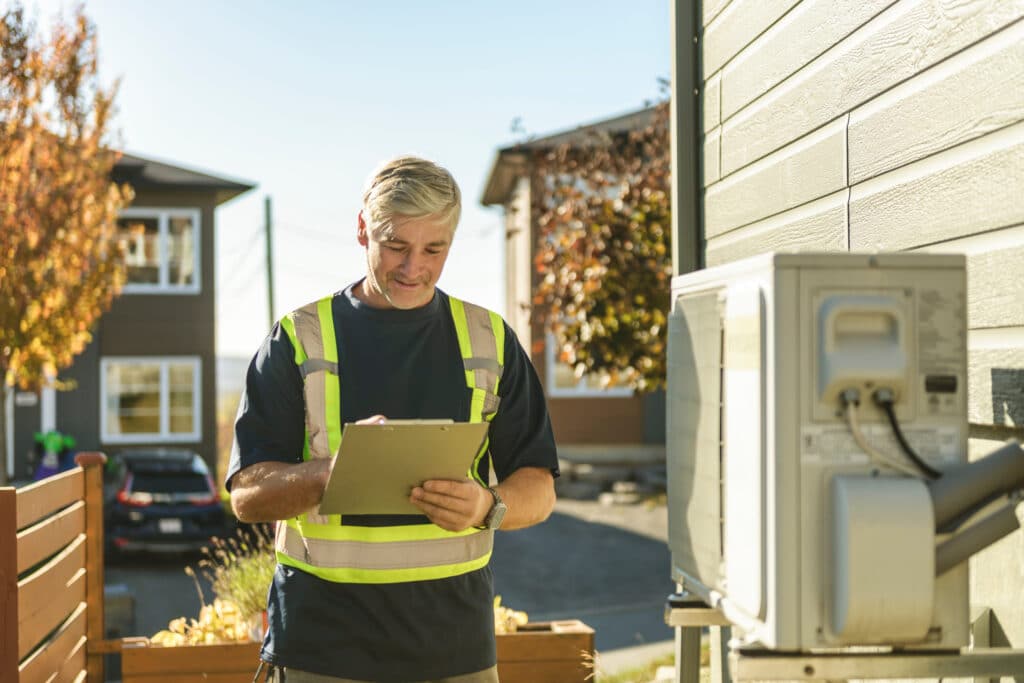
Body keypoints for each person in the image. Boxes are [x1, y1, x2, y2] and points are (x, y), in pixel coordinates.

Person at [227, 155, 559, 683]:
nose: (413, 268)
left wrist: (487, 505)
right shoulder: (298, 338)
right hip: (322, 649)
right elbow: (246, 496)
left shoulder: (490, 339)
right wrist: (330, 473)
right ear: (363, 229)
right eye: (396, 246)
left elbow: (539, 486)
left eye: (434, 249)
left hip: (456, 651)